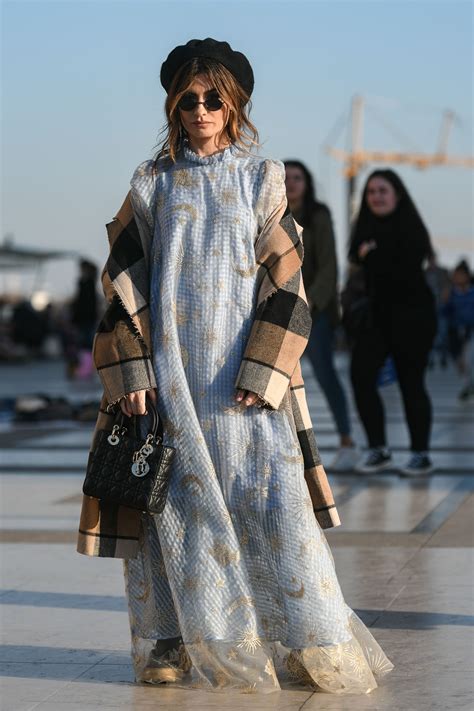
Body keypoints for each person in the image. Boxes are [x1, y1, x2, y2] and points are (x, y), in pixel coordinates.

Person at [77, 38, 392, 693]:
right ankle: (171, 638)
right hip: (171, 380)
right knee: (172, 509)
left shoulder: (261, 179)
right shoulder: (150, 184)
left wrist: (263, 369)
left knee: (278, 508)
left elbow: (288, 283)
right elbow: (121, 283)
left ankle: (312, 639)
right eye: (189, 99)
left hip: (245, 383)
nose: (201, 110)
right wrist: (132, 374)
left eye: (213, 99)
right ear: (174, 105)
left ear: (235, 105)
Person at [348, 169, 436, 476]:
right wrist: (375, 255)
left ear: (397, 194)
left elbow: (403, 267)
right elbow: (356, 255)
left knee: (412, 384)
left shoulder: (410, 225)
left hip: (414, 318)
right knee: (360, 376)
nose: (376, 197)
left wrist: (372, 255)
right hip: (377, 318)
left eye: (382, 191)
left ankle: (421, 454)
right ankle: (378, 449)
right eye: (371, 192)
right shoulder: (365, 226)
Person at [284, 160, 358, 471]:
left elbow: (329, 266)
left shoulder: (319, 215)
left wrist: (309, 301)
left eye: (297, 177)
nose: (291, 183)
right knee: (278, 381)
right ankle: (283, 447)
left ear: (307, 183)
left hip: (315, 311)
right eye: (285, 178)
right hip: (278, 310)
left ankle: (346, 441)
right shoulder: (271, 214)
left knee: (326, 375)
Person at [444, 259, 474, 400]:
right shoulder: (451, 293)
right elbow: (444, 312)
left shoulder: (472, 293)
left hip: (470, 329)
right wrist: (445, 301)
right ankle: (468, 384)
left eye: (461, 275)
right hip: (455, 331)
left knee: (467, 358)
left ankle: (467, 386)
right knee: (458, 361)